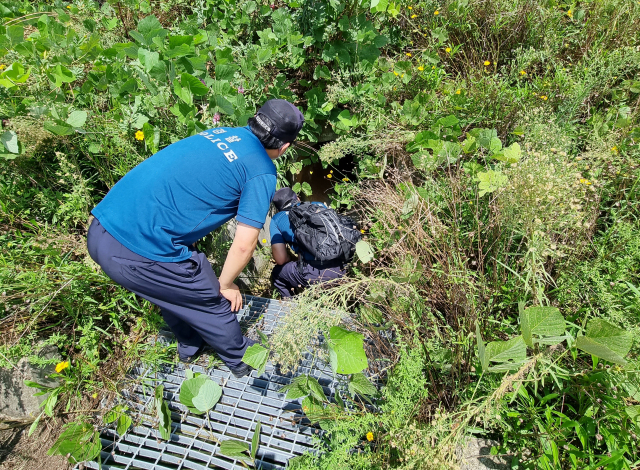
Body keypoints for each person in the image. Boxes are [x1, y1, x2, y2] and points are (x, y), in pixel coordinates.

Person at [87, 99, 304, 377]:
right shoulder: (261, 169)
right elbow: (245, 243)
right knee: (207, 296)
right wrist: (225, 284)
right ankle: (244, 363)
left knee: (174, 289)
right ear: (284, 147)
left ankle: (191, 345)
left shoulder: (222, 133)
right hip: (136, 248)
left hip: (102, 227)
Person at [269, 188, 347, 298]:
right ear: (298, 198)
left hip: (316, 275)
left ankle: (290, 309)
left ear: (279, 209)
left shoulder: (277, 219)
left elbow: (281, 259)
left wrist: (293, 257)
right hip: (343, 266)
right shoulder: (318, 205)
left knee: (277, 274)